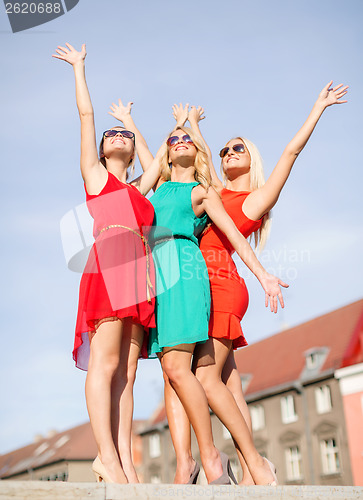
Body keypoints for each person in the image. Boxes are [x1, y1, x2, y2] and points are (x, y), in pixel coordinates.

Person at [169, 81, 348, 484]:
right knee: (231, 385)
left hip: (221, 284)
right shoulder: (214, 190)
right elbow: (202, 164)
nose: (228, 153)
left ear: (252, 158)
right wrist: (190, 125)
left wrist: (317, 107)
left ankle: (251, 465)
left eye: (238, 148)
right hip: (201, 285)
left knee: (205, 378)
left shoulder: (256, 199)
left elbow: (291, 151)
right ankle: (256, 468)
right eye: (224, 150)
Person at [111, 102, 287, 484]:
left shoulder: (203, 192)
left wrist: (264, 275)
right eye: (173, 140)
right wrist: (132, 123)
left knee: (182, 369)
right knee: (172, 373)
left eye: (186, 140)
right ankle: (194, 462)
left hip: (184, 271)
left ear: (196, 152)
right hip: (155, 276)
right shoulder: (156, 187)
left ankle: (216, 458)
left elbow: (237, 237)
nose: (178, 142)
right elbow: (149, 154)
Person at [52, 43, 163, 484]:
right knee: (106, 362)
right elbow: (86, 118)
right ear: (100, 151)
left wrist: (134, 122)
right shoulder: (95, 177)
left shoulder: (140, 187)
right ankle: (105, 456)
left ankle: (125, 461)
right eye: (112, 135)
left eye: (126, 138)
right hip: (110, 263)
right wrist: (80, 68)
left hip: (139, 270)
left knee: (130, 371)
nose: (119, 136)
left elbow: (157, 167)